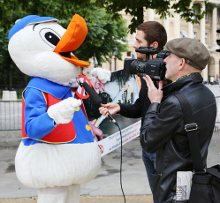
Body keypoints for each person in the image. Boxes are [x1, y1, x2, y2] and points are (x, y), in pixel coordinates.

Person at [140, 38, 216, 203]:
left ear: (181, 63)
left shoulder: (176, 103)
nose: (164, 60)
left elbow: (147, 141)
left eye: (168, 56)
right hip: (194, 179)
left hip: (171, 187)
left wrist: (154, 103)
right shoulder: (207, 95)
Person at [99, 21, 167, 191]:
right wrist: (120, 107)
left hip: (164, 151)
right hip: (148, 147)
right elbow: (141, 107)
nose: (134, 45)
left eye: (138, 41)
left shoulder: (168, 73)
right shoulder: (147, 72)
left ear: (154, 45)